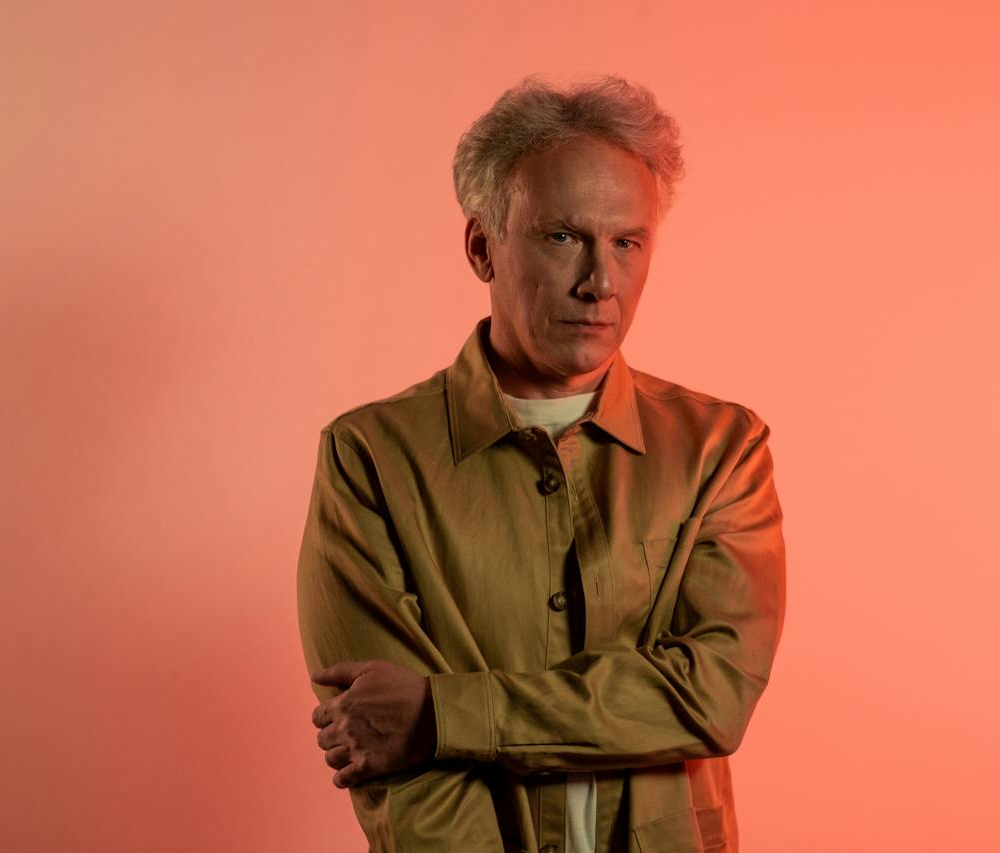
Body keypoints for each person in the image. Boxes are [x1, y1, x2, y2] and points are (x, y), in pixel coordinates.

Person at [297, 75, 787, 853]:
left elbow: (710, 700)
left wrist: (443, 714)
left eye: (627, 242)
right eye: (563, 236)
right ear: (482, 247)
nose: (600, 283)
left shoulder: (723, 450)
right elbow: (397, 766)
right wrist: (419, 727)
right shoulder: (369, 459)